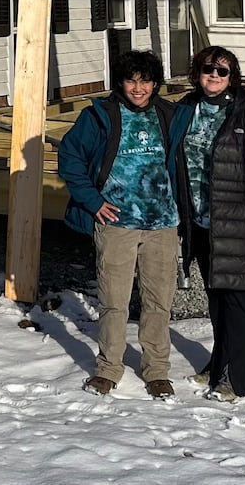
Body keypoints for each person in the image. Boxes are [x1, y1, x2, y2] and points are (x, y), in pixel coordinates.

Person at [58, 50, 192, 400]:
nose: (138, 87)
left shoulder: (170, 116)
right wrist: (93, 201)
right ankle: (109, 368)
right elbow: (69, 158)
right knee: (114, 302)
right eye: (131, 80)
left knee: (158, 302)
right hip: (117, 224)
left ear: (155, 83)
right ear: (120, 82)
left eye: (145, 80)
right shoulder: (99, 116)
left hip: (163, 224)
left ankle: (157, 371)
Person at [177, 45, 245, 402]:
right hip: (200, 222)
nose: (214, 75)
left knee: (238, 303)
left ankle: (236, 380)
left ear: (232, 77)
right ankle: (218, 363)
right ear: (197, 73)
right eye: (207, 69)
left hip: (239, 223)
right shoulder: (183, 110)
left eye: (222, 71)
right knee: (216, 300)